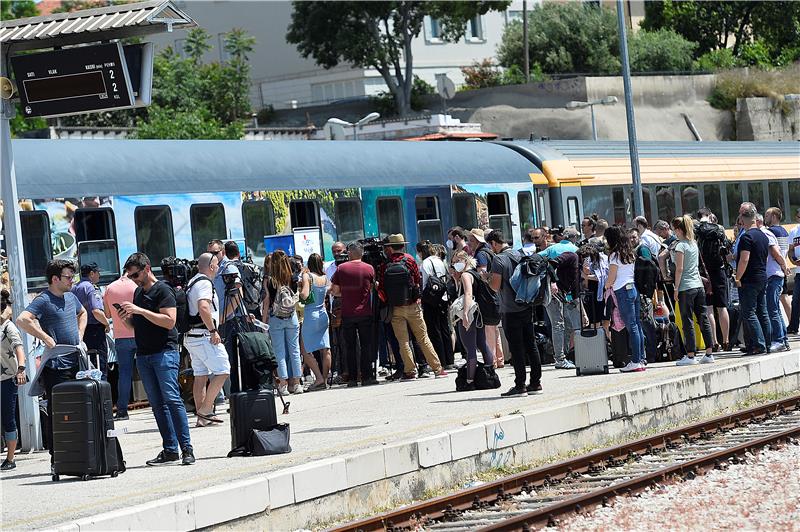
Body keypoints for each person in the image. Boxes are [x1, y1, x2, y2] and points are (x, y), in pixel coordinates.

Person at [119, 253, 194, 465]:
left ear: (147, 268)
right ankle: (170, 449)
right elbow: (137, 326)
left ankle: (186, 448)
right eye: (130, 276)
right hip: (144, 354)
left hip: (164, 352)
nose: (133, 279)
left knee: (172, 400)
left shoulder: (163, 290)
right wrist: (127, 320)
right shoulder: (137, 294)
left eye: (135, 275)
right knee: (157, 405)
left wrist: (140, 311)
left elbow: (170, 322)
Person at [17, 259, 86, 465]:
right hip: (56, 366)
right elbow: (22, 319)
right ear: (55, 279)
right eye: (68, 277)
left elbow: (83, 313)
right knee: (58, 411)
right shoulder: (44, 299)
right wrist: (46, 338)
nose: (72, 281)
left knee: (78, 409)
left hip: (75, 360)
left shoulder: (72, 297)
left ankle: (77, 451)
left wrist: (80, 336)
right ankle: (57, 456)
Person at [377, 234, 447, 380]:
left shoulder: (385, 264)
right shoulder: (409, 260)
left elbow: (382, 288)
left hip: (395, 308)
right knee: (423, 338)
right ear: (402, 246)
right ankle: (437, 368)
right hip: (413, 305)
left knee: (403, 341)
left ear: (389, 247)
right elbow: (417, 281)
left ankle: (410, 371)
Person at [487, 229, 542, 396]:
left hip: (510, 309)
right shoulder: (520, 254)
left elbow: (495, 286)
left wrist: (486, 278)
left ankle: (520, 385)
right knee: (531, 345)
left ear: (495, 243)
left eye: (492, 246)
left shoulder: (498, 259)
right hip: (526, 305)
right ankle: (535, 383)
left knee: (516, 348)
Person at [184, 253, 230, 426]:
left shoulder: (192, 281)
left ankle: (203, 417)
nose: (218, 268)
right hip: (204, 336)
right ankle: (205, 409)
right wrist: (213, 330)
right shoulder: (204, 283)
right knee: (224, 369)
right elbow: (203, 307)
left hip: (192, 337)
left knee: (200, 375)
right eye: (217, 265)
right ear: (211, 266)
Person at [670, 216, 714, 365]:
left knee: (687, 320)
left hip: (685, 287)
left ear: (678, 230)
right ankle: (709, 353)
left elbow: (679, 268)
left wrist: (676, 288)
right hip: (698, 286)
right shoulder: (693, 243)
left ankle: (690, 355)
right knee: (703, 318)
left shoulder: (680, 246)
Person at [331, 242, 377, 386]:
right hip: (364, 311)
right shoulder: (369, 268)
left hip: (348, 313)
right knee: (366, 345)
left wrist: (346, 293)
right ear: (362, 253)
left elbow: (335, 291)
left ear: (349, 253)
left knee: (350, 347)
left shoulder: (341, 268)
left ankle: (352, 378)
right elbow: (371, 288)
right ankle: (367, 377)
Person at [604, 226, 646, 373]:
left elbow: (612, 277)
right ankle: (640, 359)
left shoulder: (615, 255)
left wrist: (606, 286)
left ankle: (635, 361)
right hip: (632, 288)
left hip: (622, 291)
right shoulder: (629, 253)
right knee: (637, 326)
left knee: (631, 327)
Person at [538, 227, 580, 370]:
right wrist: (553, 282)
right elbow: (550, 264)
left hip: (558, 293)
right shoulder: (573, 252)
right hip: (554, 292)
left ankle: (563, 356)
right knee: (559, 325)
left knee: (565, 324)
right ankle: (560, 358)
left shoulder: (553, 248)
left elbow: (538, 257)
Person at [450, 251, 493, 390]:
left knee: (470, 348)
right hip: (479, 314)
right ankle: (490, 374)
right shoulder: (476, 273)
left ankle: (469, 381)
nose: (454, 264)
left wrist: (466, 314)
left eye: (456, 261)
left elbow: (468, 294)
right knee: (482, 344)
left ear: (464, 260)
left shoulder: (466, 275)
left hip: (471, 313)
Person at [262, 250, 303, 394]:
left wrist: (263, 320)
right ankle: (297, 383)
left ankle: (283, 385)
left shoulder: (269, 279)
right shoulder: (292, 277)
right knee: (295, 350)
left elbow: (267, 301)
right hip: (291, 316)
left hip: (276, 317)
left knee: (279, 352)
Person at [735, 204, 772, 356]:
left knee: (749, 312)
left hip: (749, 279)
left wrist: (738, 277)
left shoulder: (746, 237)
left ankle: (759, 344)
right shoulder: (763, 235)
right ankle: (768, 343)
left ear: (743, 220)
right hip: (762, 277)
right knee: (762, 311)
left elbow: (744, 259)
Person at [695, 208, 731, 351]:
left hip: (705, 273)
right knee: (722, 307)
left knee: (709, 308)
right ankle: (726, 340)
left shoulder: (697, 229)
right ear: (710, 216)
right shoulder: (720, 229)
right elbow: (727, 247)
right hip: (719, 270)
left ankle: (714, 341)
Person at [103, 272, 137, 420]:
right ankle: (159, 406)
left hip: (121, 337)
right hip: (140, 335)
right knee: (149, 371)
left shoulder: (110, 288)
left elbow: (108, 314)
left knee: (124, 373)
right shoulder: (137, 285)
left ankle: (122, 410)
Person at [468, 228, 504, 369]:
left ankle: (492, 360)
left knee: (488, 328)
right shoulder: (488, 251)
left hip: (486, 295)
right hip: (493, 294)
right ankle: (499, 358)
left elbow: (482, 274)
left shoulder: (481, 254)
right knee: (493, 328)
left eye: (471, 240)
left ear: (477, 241)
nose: (469, 243)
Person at [416, 240, 454, 370]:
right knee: (445, 328)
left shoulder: (424, 264)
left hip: (431, 299)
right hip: (443, 297)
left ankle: (441, 360)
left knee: (434, 330)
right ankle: (450, 359)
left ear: (421, 252)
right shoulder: (440, 260)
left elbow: (424, 282)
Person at [71, 262, 110, 379]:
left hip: (80, 331)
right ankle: (101, 395)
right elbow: (96, 311)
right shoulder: (91, 288)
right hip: (95, 332)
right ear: (92, 273)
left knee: (86, 368)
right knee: (99, 367)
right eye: (98, 272)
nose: (99, 275)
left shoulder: (74, 288)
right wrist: (107, 323)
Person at [1, 290, 26, 471]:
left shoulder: (8, 327)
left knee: (8, 418)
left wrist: (21, 369)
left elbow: (19, 348)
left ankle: (10, 458)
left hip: (7, 378)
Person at [299, 253, 332, 390]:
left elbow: (305, 295)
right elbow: (330, 290)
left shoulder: (308, 276)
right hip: (323, 314)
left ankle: (318, 378)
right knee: (326, 348)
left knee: (304, 349)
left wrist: (300, 289)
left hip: (311, 314)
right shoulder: (324, 277)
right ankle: (324, 379)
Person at [759, 210, 790, 352]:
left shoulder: (768, 232)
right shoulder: (783, 231)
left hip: (773, 274)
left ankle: (779, 340)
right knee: (775, 308)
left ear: (773, 216)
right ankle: (783, 339)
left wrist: (783, 266)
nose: (765, 218)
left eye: (766, 215)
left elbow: (775, 253)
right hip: (779, 273)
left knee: (772, 309)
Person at [788, 208, 800, 335]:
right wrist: (794, 260)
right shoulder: (794, 231)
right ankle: (793, 326)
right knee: (795, 300)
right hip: (799, 271)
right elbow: (790, 250)